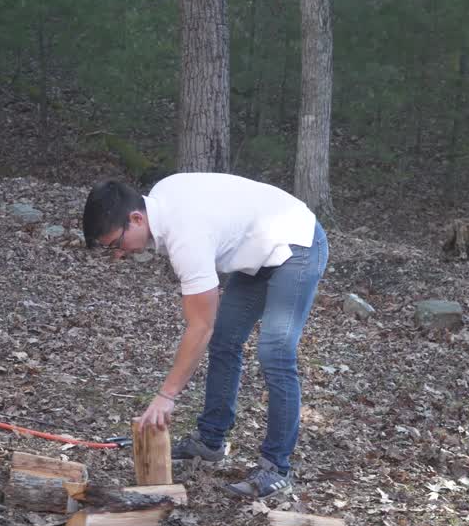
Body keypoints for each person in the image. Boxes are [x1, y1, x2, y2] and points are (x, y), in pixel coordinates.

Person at [82, 173, 329, 498]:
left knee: (275, 352)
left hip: (298, 242)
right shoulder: (161, 196)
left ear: (136, 217)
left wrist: (166, 396)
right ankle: (211, 440)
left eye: (116, 244)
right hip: (260, 252)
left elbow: (200, 325)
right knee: (226, 338)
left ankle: (276, 468)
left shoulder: (185, 237)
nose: (118, 254)